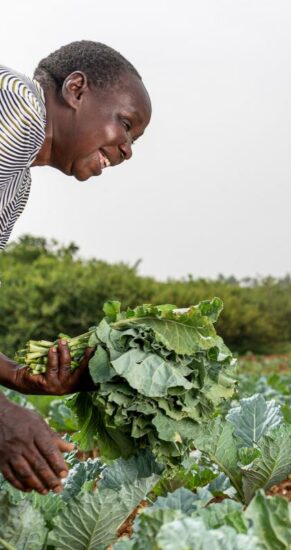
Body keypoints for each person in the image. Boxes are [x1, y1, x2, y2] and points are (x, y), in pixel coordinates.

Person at [0, 41, 152, 494]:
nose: (127, 149)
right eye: (125, 124)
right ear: (76, 89)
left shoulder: (15, 186)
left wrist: (17, 377)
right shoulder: (17, 107)